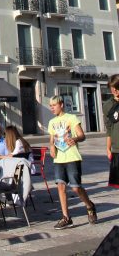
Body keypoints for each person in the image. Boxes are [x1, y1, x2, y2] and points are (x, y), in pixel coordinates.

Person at [48, 94, 97, 229]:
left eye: (54, 105)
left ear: (61, 105)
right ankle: (66, 217)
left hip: (72, 157)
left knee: (75, 187)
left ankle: (89, 205)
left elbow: (82, 135)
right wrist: (51, 146)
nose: (52, 108)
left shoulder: (72, 118)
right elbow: (52, 138)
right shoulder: (52, 122)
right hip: (59, 158)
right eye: (50, 106)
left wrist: (74, 139)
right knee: (61, 186)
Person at [103, 73, 119, 189]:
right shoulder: (108, 105)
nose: (115, 91)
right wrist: (108, 149)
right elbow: (108, 128)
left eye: (117, 88)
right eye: (113, 89)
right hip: (117, 148)